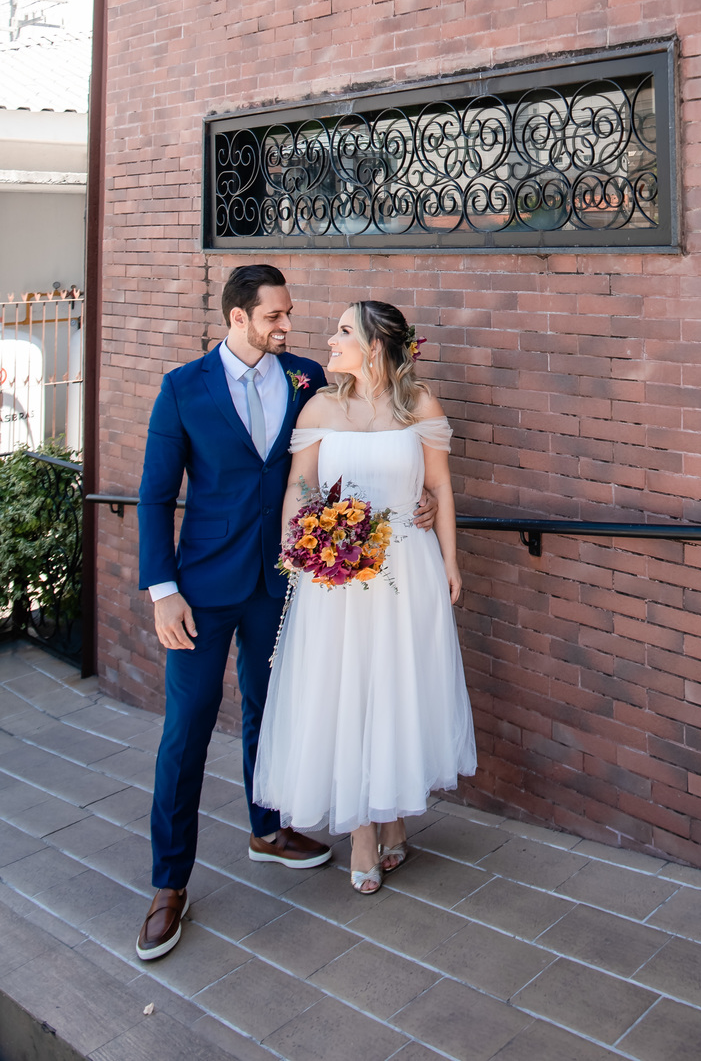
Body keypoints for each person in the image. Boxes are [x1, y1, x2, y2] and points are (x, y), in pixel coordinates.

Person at [134, 265, 438, 960]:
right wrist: (162, 590)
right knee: (186, 728)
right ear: (237, 317)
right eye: (275, 316)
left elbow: (353, 449)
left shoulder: (308, 377)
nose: (289, 326)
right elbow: (154, 495)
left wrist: (416, 498)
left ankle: (267, 830)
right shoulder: (183, 388)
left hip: (283, 585)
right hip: (201, 590)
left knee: (271, 710)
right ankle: (168, 885)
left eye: (289, 313)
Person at [253, 299, 476, 893]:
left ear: (375, 346)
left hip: (408, 566)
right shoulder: (320, 406)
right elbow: (300, 485)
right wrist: (300, 545)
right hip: (338, 577)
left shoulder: (419, 404)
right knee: (348, 690)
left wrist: (451, 562)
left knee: (397, 689)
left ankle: (393, 816)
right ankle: (360, 833)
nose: (330, 339)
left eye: (343, 331)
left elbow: (440, 486)